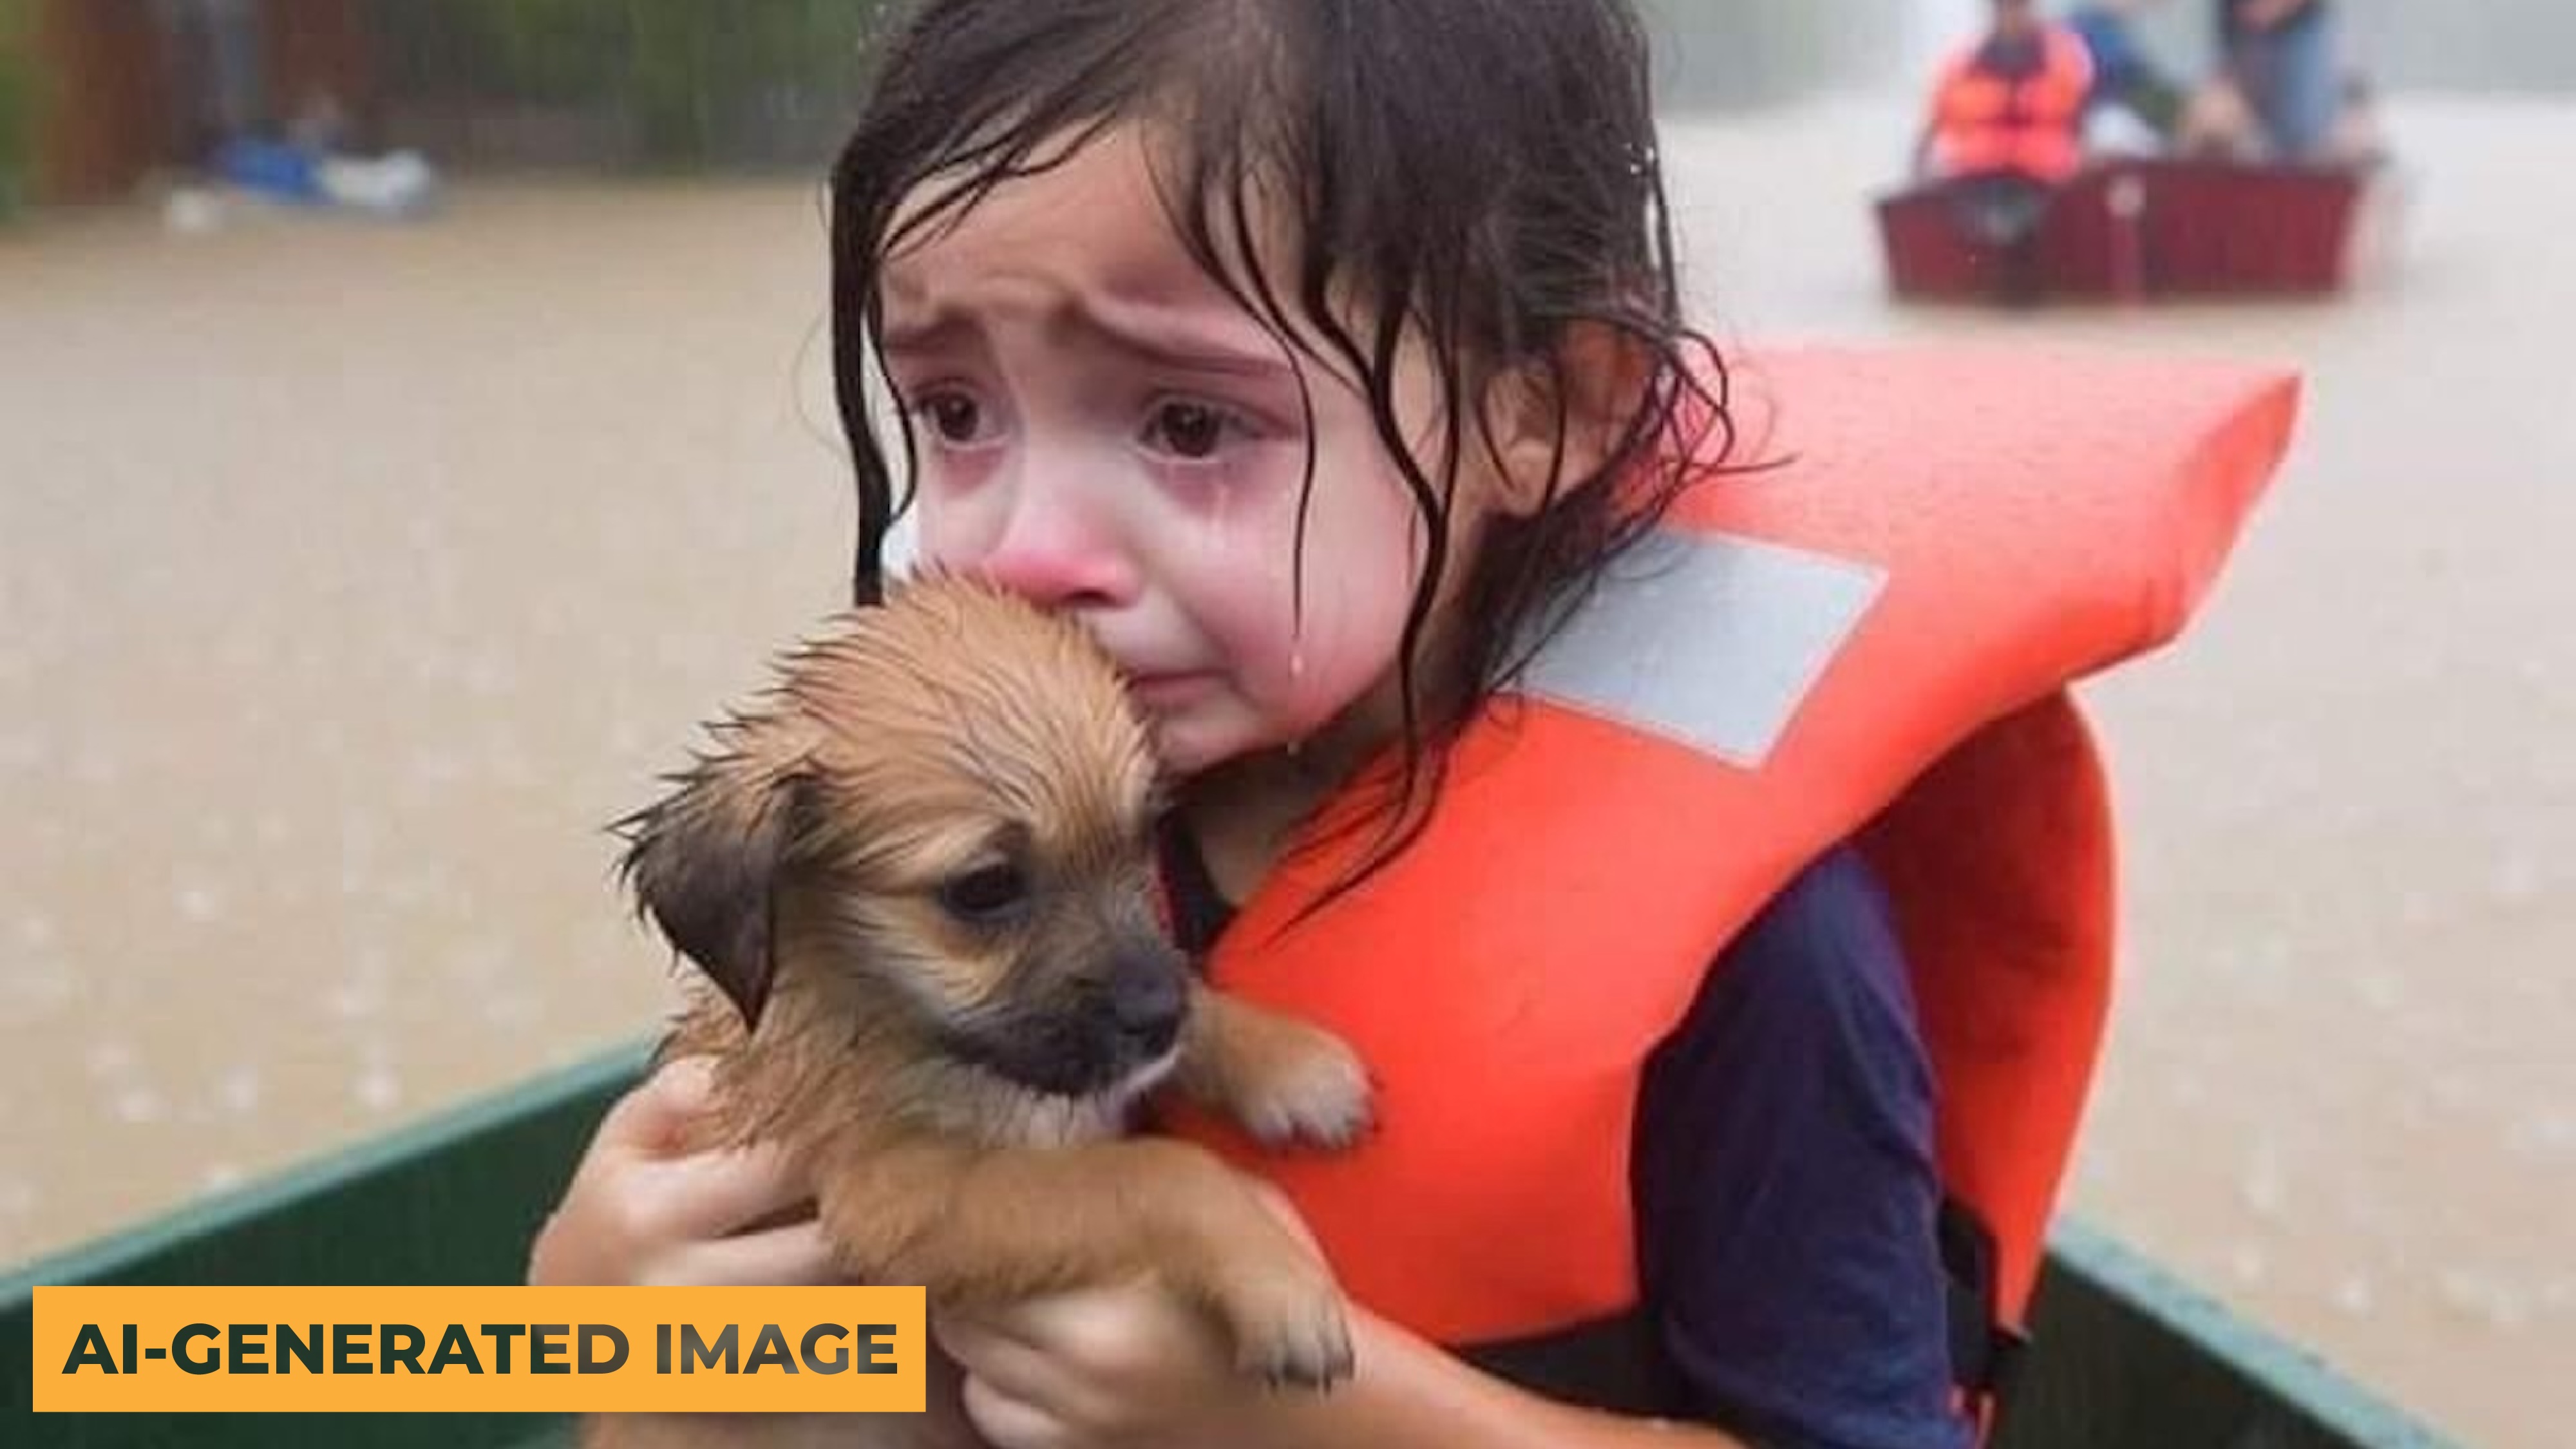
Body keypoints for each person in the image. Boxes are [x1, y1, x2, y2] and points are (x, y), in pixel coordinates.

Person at [531, 3, 2289, 1446]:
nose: (1027, 550)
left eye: (1189, 425)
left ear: (1541, 409)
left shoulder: (1766, 965)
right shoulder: (960, 801)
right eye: (955, 406)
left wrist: (1339, 1418)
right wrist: (596, 1332)